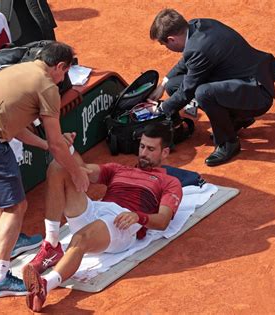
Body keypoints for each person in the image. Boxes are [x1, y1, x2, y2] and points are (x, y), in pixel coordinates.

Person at [0, 41, 90, 298]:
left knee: (4, 197)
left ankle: (12, 244)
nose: (64, 78)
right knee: (17, 207)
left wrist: (46, 144)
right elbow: (59, 145)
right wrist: (76, 172)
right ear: (59, 66)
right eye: (65, 72)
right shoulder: (47, 86)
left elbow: (17, 127)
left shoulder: (17, 69)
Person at [22, 123, 183, 312]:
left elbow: (163, 220)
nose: (143, 153)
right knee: (59, 166)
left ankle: (45, 285)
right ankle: (52, 244)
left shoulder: (170, 182)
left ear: (164, 153)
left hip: (122, 222)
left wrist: (138, 217)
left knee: (80, 239)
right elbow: (81, 170)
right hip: (97, 210)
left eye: (150, 149)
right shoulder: (118, 169)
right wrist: (68, 148)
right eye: (142, 146)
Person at [148, 9, 275, 166]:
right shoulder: (196, 25)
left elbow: (187, 91)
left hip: (256, 94)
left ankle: (228, 143)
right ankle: (235, 119)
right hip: (241, 82)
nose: (166, 48)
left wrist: (159, 111)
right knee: (173, 85)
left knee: (203, 93)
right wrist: (163, 84)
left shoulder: (197, 48)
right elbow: (186, 62)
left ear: (171, 39)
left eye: (164, 44)